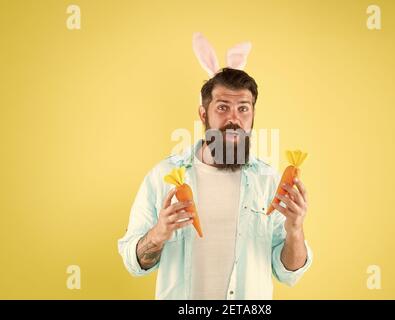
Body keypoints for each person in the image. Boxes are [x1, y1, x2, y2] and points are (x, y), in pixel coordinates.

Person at [118, 67, 313, 299]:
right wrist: (158, 234)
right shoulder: (163, 177)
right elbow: (133, 262)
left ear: (252, 115)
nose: (234, 118)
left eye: (243, 109)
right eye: (222, 108)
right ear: (203, 114)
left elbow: (289, 273)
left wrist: (295, 230)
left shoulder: (269, 181)